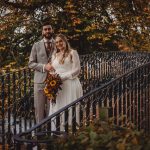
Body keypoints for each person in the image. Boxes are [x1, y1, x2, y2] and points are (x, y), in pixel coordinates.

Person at [49, 34, 83, 129]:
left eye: (60, 41)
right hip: (58, 86)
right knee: (58, 107)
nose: (59, 43)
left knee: (70, 108)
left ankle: (71, 131)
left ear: (65, 41)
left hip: (70, 84)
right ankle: (58, 131)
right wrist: (53, 76)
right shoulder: (54, 55)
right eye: (56, 42)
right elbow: (53, 70)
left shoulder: (72, 52)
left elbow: (77, 70)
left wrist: (63, 77)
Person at [28, 21, 56, 123]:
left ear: (52, 30)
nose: (47, 31)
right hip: (39, 82)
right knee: (39, 109)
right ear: (42, 32)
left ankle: (51, 132)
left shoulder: (58, 43)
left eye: (49, 29)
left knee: (52, 109)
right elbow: (31, 63)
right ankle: (39, 134)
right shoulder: (36, 45)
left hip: (54, 82)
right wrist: (44, 67)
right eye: (45, 29)